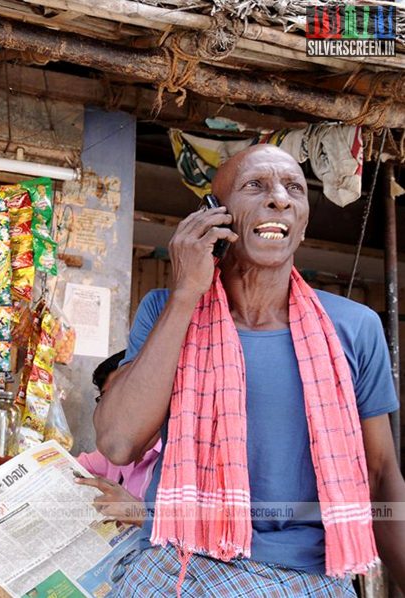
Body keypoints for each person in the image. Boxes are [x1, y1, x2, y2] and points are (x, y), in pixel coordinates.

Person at [95, 145, 405, 596]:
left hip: (305, 579)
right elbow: (119, 443)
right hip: (179, 570)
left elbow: (380, 475)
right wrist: (185, 294)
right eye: (255, 186)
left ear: (302, 223)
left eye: (293, 189)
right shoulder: (166, 311)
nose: (279, 198)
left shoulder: (355, 328)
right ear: (214, 216)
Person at [74, 350, 162, 526]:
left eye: (125, 392)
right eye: (107, 397)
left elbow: (198, 533)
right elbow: (69, 467)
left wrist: (135, 512)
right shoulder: (114, 451)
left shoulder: (183, 455)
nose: (117, 405)